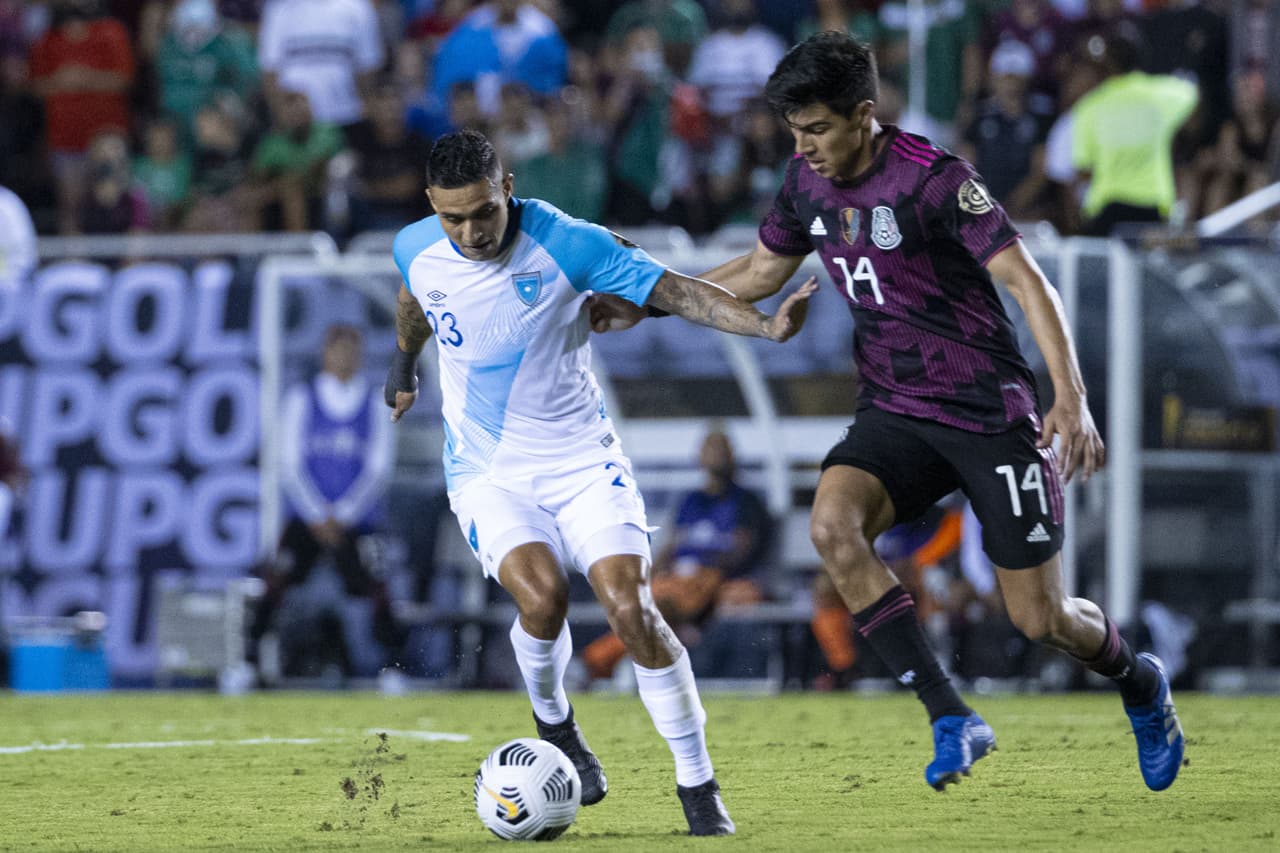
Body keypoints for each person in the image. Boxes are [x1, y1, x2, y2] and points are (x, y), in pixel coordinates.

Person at [593, 32, 1184, 794]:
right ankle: (950, 714)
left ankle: (1139, 681)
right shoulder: (805, 186)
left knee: (1040, 618)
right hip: (896, 409)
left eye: (817, 130)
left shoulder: (933, 180)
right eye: (794, 132)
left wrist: (1069, 395)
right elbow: (760, 271)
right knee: (832, 526)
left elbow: (1030, 282)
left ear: (864, 115)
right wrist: (653, 300)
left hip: (988, 413)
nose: (803, 148)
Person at [385, 129, 816, 835]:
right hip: (489, 470)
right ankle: (555, 724)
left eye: (483, 213)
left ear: (509, 188)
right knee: (544, 594)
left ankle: (697, 784)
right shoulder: (417, 247)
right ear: (432, 205)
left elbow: (678, 292)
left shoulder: (570, 242)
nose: (469, 232)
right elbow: (413, 302)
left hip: (584, 460)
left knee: (631, 606)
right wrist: (401, 369)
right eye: (452, 217)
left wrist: (765, 329)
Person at [253, 324, 397, 678]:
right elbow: (289, 464)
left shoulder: (375, 402)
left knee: (378, 587)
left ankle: (392, 668)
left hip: (357, 520)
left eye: (353, 349)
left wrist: (343, 515)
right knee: (275, 582)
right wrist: (318, 515)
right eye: (339, 349)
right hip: (307, 520)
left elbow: (379, 467)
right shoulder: (302, 399)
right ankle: (248, 663)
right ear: (325, 353)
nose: (346, 357)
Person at [582, 427, 772, 680]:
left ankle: (598, 662)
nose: (716, 456)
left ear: (733, 456)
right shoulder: (690, 500)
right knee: (635, 599)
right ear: (700, 456)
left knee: (657, 607)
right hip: (678, 579)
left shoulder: (746, 501)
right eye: (710, 449)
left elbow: (743, 549)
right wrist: (648, 571)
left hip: (713, 580)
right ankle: (624, 663)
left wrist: (706, 570)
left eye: (721, 450)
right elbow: (672, 543)